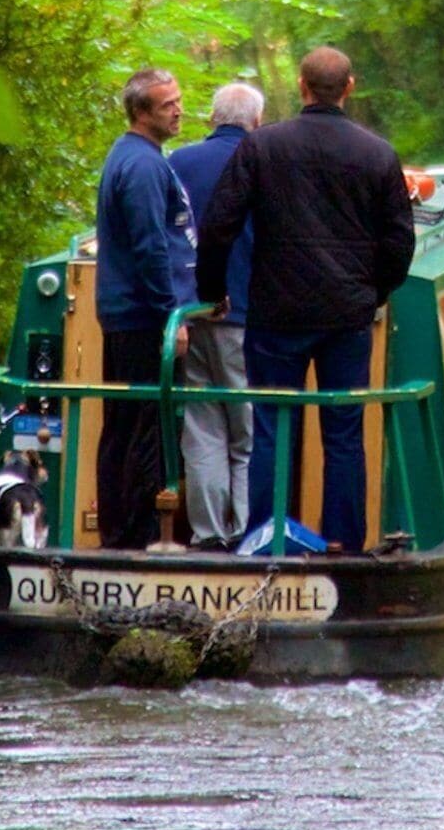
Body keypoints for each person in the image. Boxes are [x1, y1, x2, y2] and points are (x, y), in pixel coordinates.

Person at [196, 46, 415, 555]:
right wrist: (374, 293)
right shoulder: (377, 154)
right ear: (350, 87)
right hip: (346, 317)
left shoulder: (262, 147)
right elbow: (400, 241)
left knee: (271, 426)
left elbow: (218, 225)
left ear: (301, 86)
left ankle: (265, 538)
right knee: (343, 431)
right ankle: (341, 542)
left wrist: (213, 292)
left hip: (276, 314)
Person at [88, 67, 193, 551]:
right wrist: (171, 316)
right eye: (166, 103)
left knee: (123, 425)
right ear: (140, 112)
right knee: (148, 427)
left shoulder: (128, 156)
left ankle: (116, 531)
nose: (178, 108)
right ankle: (140, 536)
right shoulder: (146, 167)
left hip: (124, 312)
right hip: (143, 316)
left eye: (178, 99)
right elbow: (151, 246)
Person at [166, 81, 267, 550]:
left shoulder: (178, 163)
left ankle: (208, 535)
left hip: (191, 313)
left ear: (212, 118)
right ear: (257, 122)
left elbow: (168, 238)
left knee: (202, 427)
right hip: (245, 314)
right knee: (245, 433)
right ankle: (245, 534)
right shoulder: (267, 160)